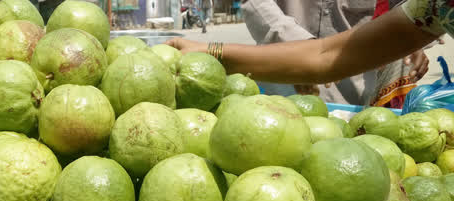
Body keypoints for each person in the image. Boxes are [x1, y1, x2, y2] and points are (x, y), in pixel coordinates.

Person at [166, 0, 445, 90]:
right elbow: (256, 5)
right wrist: (297, 51)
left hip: (360, 73)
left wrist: (405, 40)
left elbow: (404, 12)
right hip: (281, 71)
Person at [241, 0, 428, 104]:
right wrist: (298, 47)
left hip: (357, 82)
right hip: (286, 73)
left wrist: (411, 37)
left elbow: (408, 7)